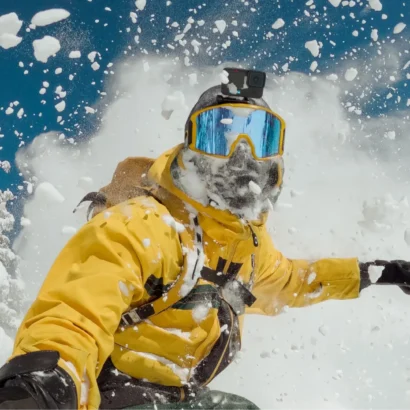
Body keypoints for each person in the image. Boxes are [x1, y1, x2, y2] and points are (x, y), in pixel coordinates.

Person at [0, 75, 410, 410]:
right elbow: (77, 311)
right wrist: (46, 379)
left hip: (184, 396)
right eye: (220, 136)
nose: (242, 156)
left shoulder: (247, 248)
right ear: (191, 150)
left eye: (262, 138)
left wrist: (380, 273)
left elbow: (292, 282)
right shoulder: (145, 225)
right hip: (119, 393)